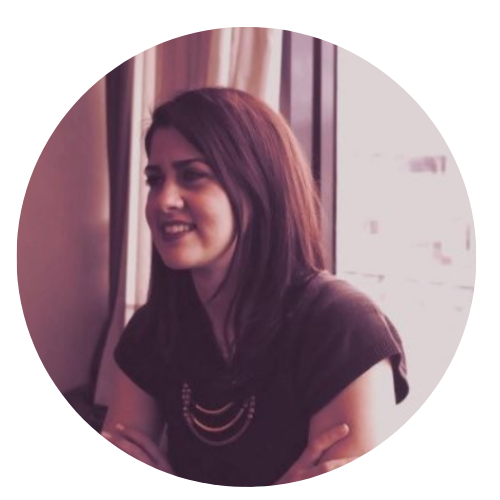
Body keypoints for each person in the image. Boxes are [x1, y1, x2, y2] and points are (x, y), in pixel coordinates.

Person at [100, 87, 409, 486]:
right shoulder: (151, 331)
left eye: (193, 175)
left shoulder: (343, 325)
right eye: (155, 180)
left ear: (257, 186)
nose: (163, 200)